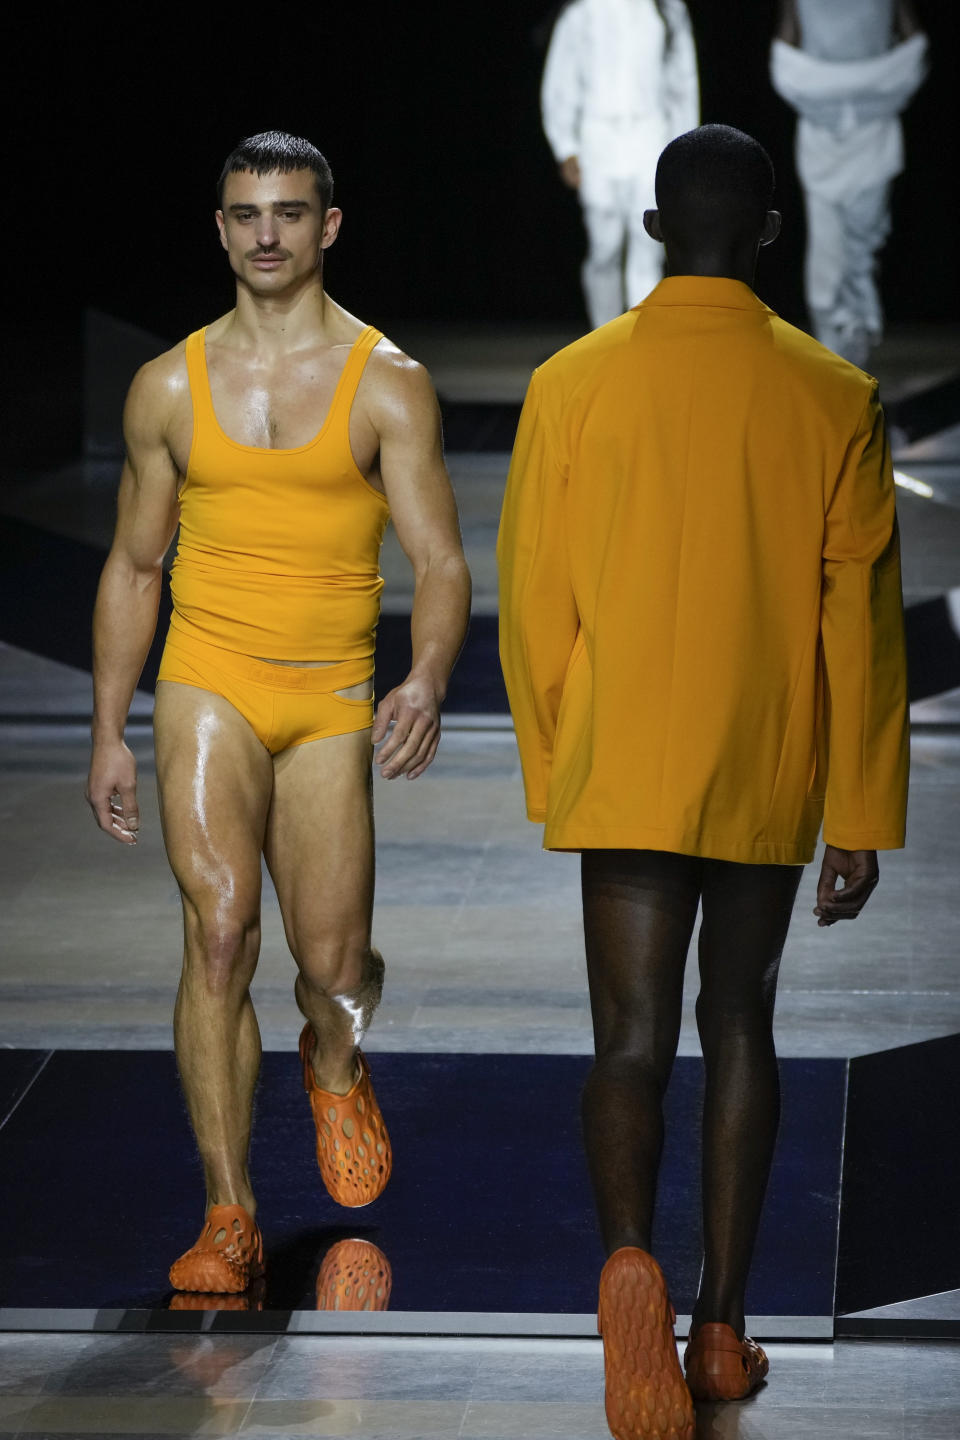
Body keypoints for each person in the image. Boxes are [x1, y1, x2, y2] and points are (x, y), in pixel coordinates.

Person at [498, 124, 908, 1438]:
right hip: (763, 753)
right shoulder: (833, 396)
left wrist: (559, 763)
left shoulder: (573, 382)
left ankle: (630, 1259)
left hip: (625, 752)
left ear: (659, 232)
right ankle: (721, 1329)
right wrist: (861, 809)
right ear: (772, 231)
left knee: (628, 1038)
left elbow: (533, 603)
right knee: (742, 1027)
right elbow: (863, 628)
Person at [86, 131, 471, 1294]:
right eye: (246, 214)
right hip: (208, 677)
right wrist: (109, 722)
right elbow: (134, 566)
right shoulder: (167, 385)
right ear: (220, 228)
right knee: (217, 927)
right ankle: (228, 1211)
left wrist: (429, 674)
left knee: (333, 959)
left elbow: (441, 560)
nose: (266, 234)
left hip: (332, 697)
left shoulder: (387, 381)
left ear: (328, 226)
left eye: (289, 214)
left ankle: (336, 1056)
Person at [771, 0, 928, 367]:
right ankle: (833, 364)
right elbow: (786, 62)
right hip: (823, 138)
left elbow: (914, 54)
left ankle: (853, 363)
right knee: (827, 261)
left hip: (872, 136)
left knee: (859, 256)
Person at [541, 0, 699, 329]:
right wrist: (565, 146)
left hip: (650, 136)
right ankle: (606, 335)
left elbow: (683, 82)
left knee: (649, 245)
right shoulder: (582, 12)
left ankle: (643, 340)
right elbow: (561, 79)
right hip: (598, 140)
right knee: (605, 247)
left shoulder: (668, 9)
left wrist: (683, 147)